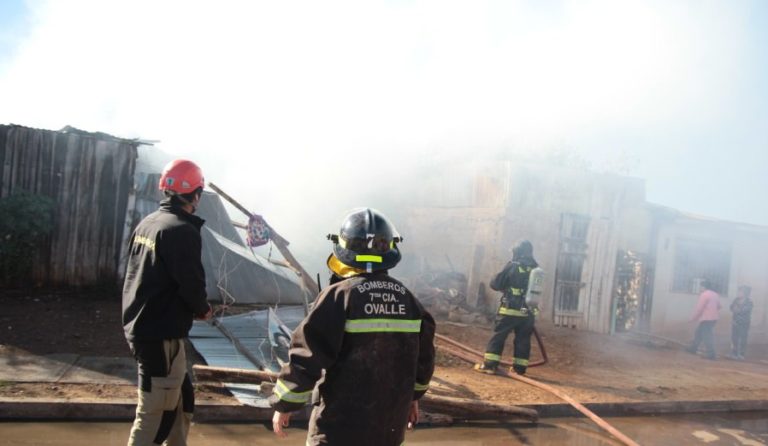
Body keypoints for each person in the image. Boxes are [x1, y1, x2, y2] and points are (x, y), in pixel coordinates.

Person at [269, 208, 436, 446]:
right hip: (387, 431)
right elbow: (424, 361)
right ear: (389, 249)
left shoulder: (339, 296)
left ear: (344, 251)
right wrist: (413, 397)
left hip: (337, 431)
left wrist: (285, 404)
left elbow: (307, 355)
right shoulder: (409, 301)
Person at [122, 159, 213, 446]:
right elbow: (191, 282)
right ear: (196, 194)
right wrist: (203, 309)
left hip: (148, 326)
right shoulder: (181, 231)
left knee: (182, 402)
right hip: (160, 334)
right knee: (156, 415)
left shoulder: (149, 223)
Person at [474, 240, 539, 376]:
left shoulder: (513, 265)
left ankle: (490, 366)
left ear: (517, 252)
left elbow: (497, 284)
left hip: (510, 310)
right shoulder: (536, 268)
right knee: (523, 339)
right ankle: (519, 369)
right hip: (528, 312)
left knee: (499, 336)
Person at [685, 279, 721, 360]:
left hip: (706, 318)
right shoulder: (715, 294)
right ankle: (693, 348)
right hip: (713, 318)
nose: (700, 288)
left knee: (707, 336)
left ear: (703, 287)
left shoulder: (704, 295)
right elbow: (719, 306)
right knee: (698, 333)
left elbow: (699, 309)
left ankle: (711, 354)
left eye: (700, 287)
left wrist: (693, 318)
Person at [727, 285, 753, 360]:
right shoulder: (736, 300)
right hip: (735, 322)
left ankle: (741, 354)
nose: (738, 293)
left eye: (740, 291)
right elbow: (731, 307)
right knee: (734, 338)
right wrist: (736, 309)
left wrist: (737, 309)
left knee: (743, 338)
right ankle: (734, 353)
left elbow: (743, 311)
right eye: (739, 291)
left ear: (745, 293)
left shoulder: (749, 302)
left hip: (744, 323)